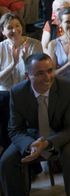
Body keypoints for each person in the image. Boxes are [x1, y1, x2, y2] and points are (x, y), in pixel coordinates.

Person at [0, 53, 70, 196]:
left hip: (64, 134)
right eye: (40, 73)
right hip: (33, 136)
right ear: (27, 76)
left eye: (50, 70)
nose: (48, 77)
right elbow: (15, 129)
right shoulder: (17, 93)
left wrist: (47, 143)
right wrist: (30, 145)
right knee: (6, 162)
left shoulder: (68, 88)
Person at [0, 13, 42, 149]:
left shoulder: (34, 44)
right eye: (9, 27)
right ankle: (9, 149)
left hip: (28, 91)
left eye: (17, 26)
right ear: (3, 31)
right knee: (5, 98)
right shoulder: (1, 48)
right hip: (6, 94)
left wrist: (24, 61)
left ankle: (30, 149)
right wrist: (13, 63)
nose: (14, 30)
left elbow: (37, 75)